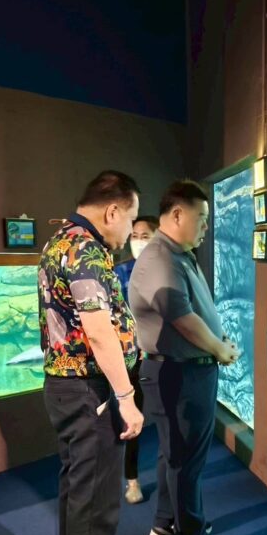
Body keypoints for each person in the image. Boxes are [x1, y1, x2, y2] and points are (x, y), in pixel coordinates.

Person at [39, 170, 145, 535]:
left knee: (77, 493)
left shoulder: (60, 240)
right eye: (132, 220)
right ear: (113, 211)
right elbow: (99, 333)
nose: (131, 231)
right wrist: (126, 397)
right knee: (96, 499)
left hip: (67, 389)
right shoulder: (85, 250)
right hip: (89, 392)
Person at [129, 180, 242, 535]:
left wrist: (217, 343)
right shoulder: (161, 258)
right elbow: (183, 318)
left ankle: (167, 522)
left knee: (173, 454)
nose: (207, 226)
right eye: (203, 218)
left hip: (183, 371)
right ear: (177, 214)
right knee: (185, 462)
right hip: (178, 374)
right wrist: (218, 349)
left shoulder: (177, 255)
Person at [114, 216, 159, 505]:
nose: (139, 240)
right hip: (130, 358)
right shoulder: (119, 272)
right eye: (135, 235)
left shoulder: (169, 270)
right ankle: (132, 479)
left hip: (164, 356)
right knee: (132, 419)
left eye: (145, 235)